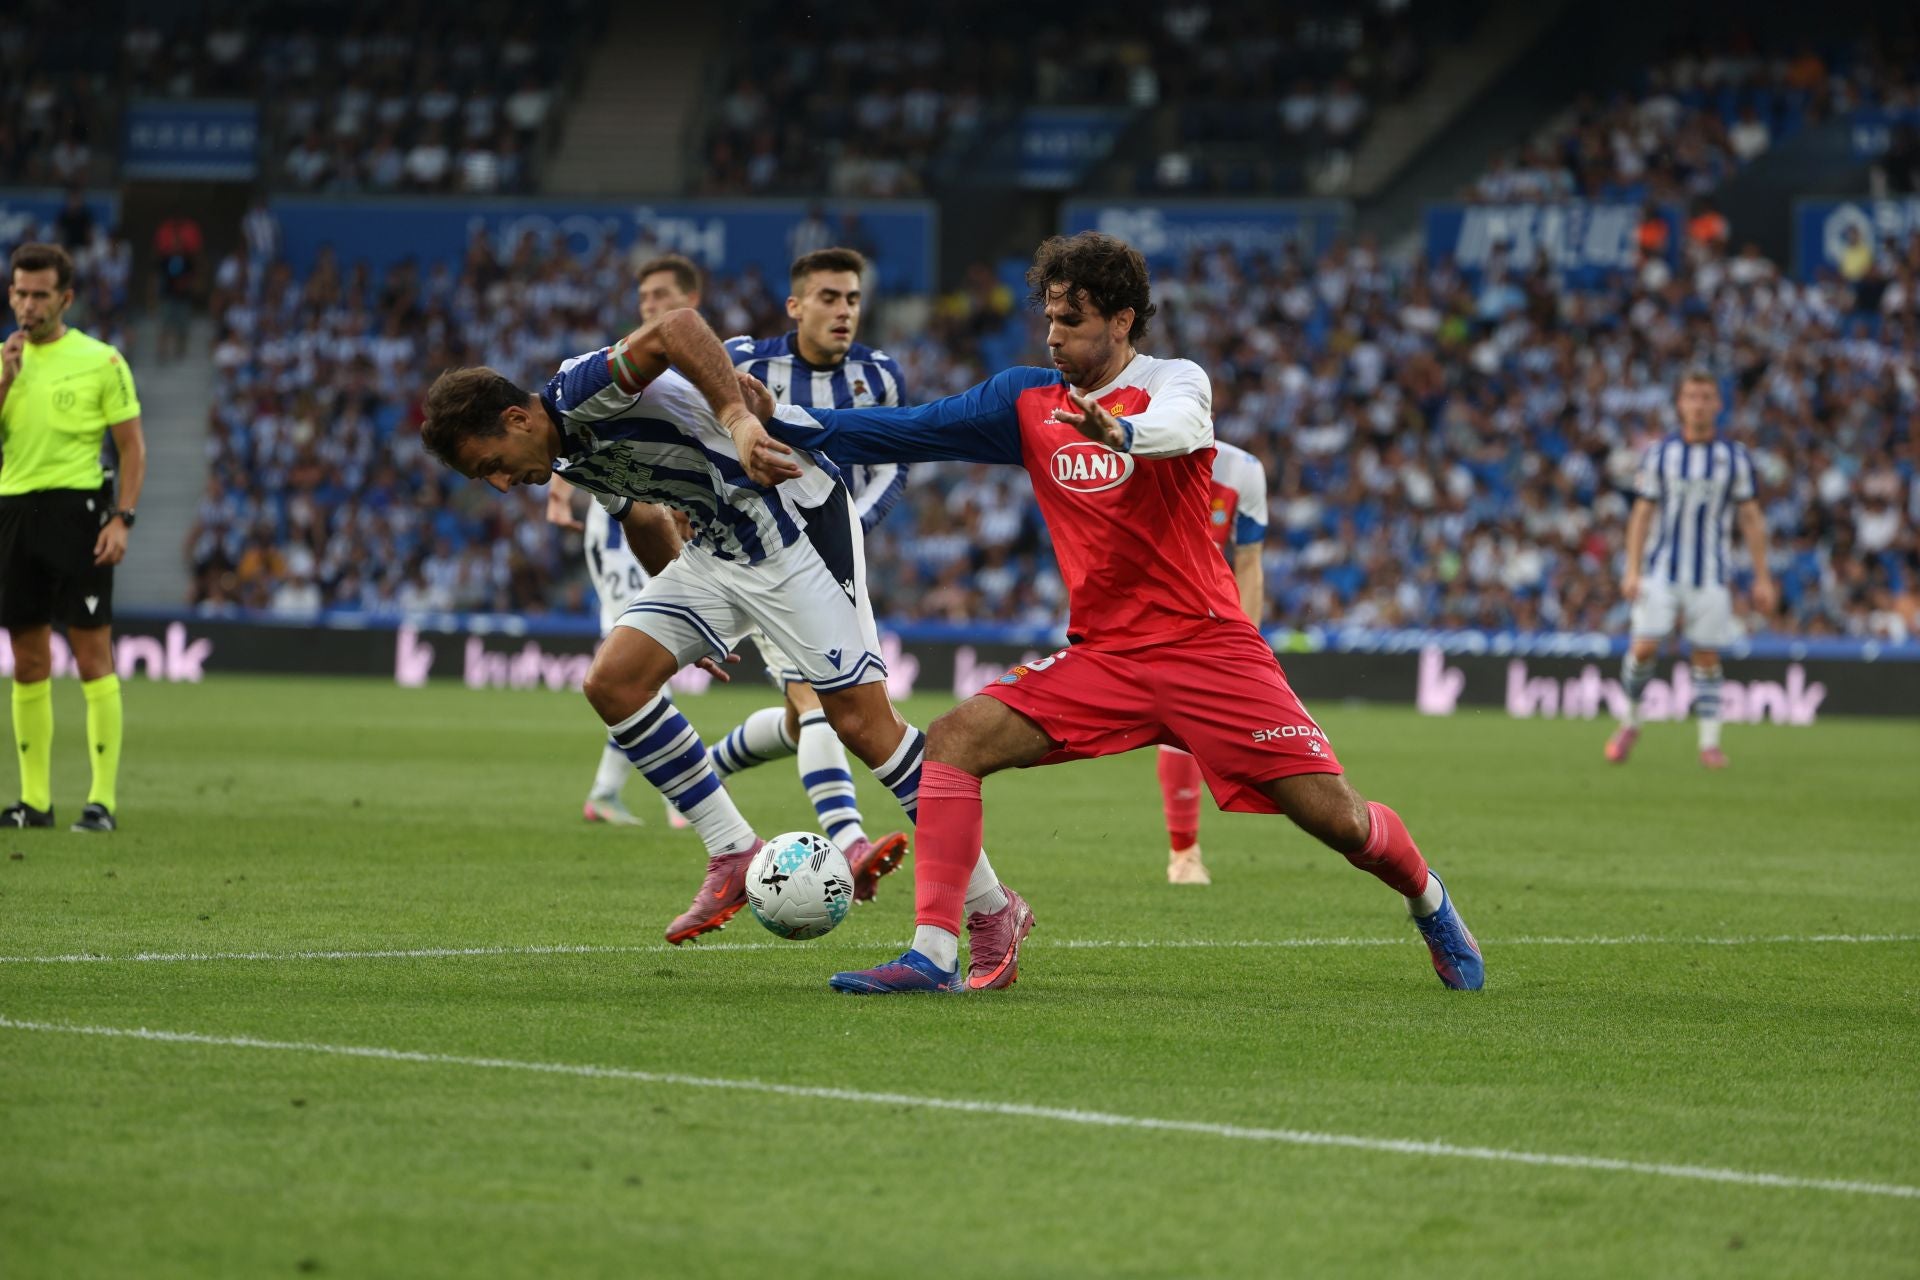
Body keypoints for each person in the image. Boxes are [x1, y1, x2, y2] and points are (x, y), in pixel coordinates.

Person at [735, 231, 1483, 994]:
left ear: (1122, 321)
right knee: (954, 741)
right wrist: (784, 419)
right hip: (1108, 659)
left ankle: (1429, 900)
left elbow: (1182, 426)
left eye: (1074, 322)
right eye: (1050, 320)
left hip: (1209, 652)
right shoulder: (1026, 399)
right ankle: (935, 953)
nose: (1054, 337)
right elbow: (913, 429)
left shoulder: (1173, 381)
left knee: (1339, 821)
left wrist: (1121, 432)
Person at [420, 306, 1016, 948]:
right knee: (615, 681)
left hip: (793, 530)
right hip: (717, 548)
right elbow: (644, 518)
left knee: (865, 727)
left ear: (517, 419)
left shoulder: (581, 391)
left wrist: (738, 419)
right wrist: (684, 624)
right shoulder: (565, 457)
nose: (501, 484)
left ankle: (992, 907)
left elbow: (676, 325)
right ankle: (733, 851)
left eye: (492, 464)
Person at [708, 247, 910, 878]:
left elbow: (893, 466)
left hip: (835, 559)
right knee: (822, 697)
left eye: (852, 298)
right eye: (829, 297)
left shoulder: (879, 374)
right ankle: (850, 842)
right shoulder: (745, 362)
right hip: (757, 553)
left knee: (806, 714)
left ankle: (706, 768)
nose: (844, 310)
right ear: (795, 306)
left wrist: (852, 525)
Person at [545, 252, 705, 827]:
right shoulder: (627, 361)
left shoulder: (708, 362)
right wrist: (558, 493)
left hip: (675, 522)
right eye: (643, 299)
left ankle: (610, 791)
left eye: (660, 295)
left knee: (652, 658)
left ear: (691, 299)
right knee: (643, 654)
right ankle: (680, 794)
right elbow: (572, 432)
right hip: (622, 529)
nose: (649, 306)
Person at [0, 243, 146, 831]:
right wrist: (5, 382)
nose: (28, 305)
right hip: (14, 512)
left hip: (79, 514)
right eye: (20, 293)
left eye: (40, 295)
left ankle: (101, 802)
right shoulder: (2, 361)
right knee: (28, 658)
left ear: (66, 298)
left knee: (91, 656)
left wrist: (122, 518)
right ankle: (34, 802)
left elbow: (132, 447)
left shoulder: (101, 361)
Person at [1606, 369, 1777, 769]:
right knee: (1643, 648)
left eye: (1705, 397)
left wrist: (1762, 576)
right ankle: (1630, 721)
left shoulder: (1734, 457)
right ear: (1680, 404)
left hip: (1711, 574)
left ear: (1718, 404)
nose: (1699, 404)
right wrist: (1632, 570)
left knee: (1706, 656)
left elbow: (1750, 518)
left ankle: (1709, 744)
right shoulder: (1660, 454)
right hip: (1660, 570)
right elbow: (1641, 514)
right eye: (1692, 397)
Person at [1158, 437, 1267, 886]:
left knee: (1190, 719)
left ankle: (1184, 855)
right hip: (1141, 603)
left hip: (1204, 611)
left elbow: (1249, 563)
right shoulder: (1144, 453)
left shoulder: (1243, 470)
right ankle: (1184, 855)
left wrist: (1247, 648)